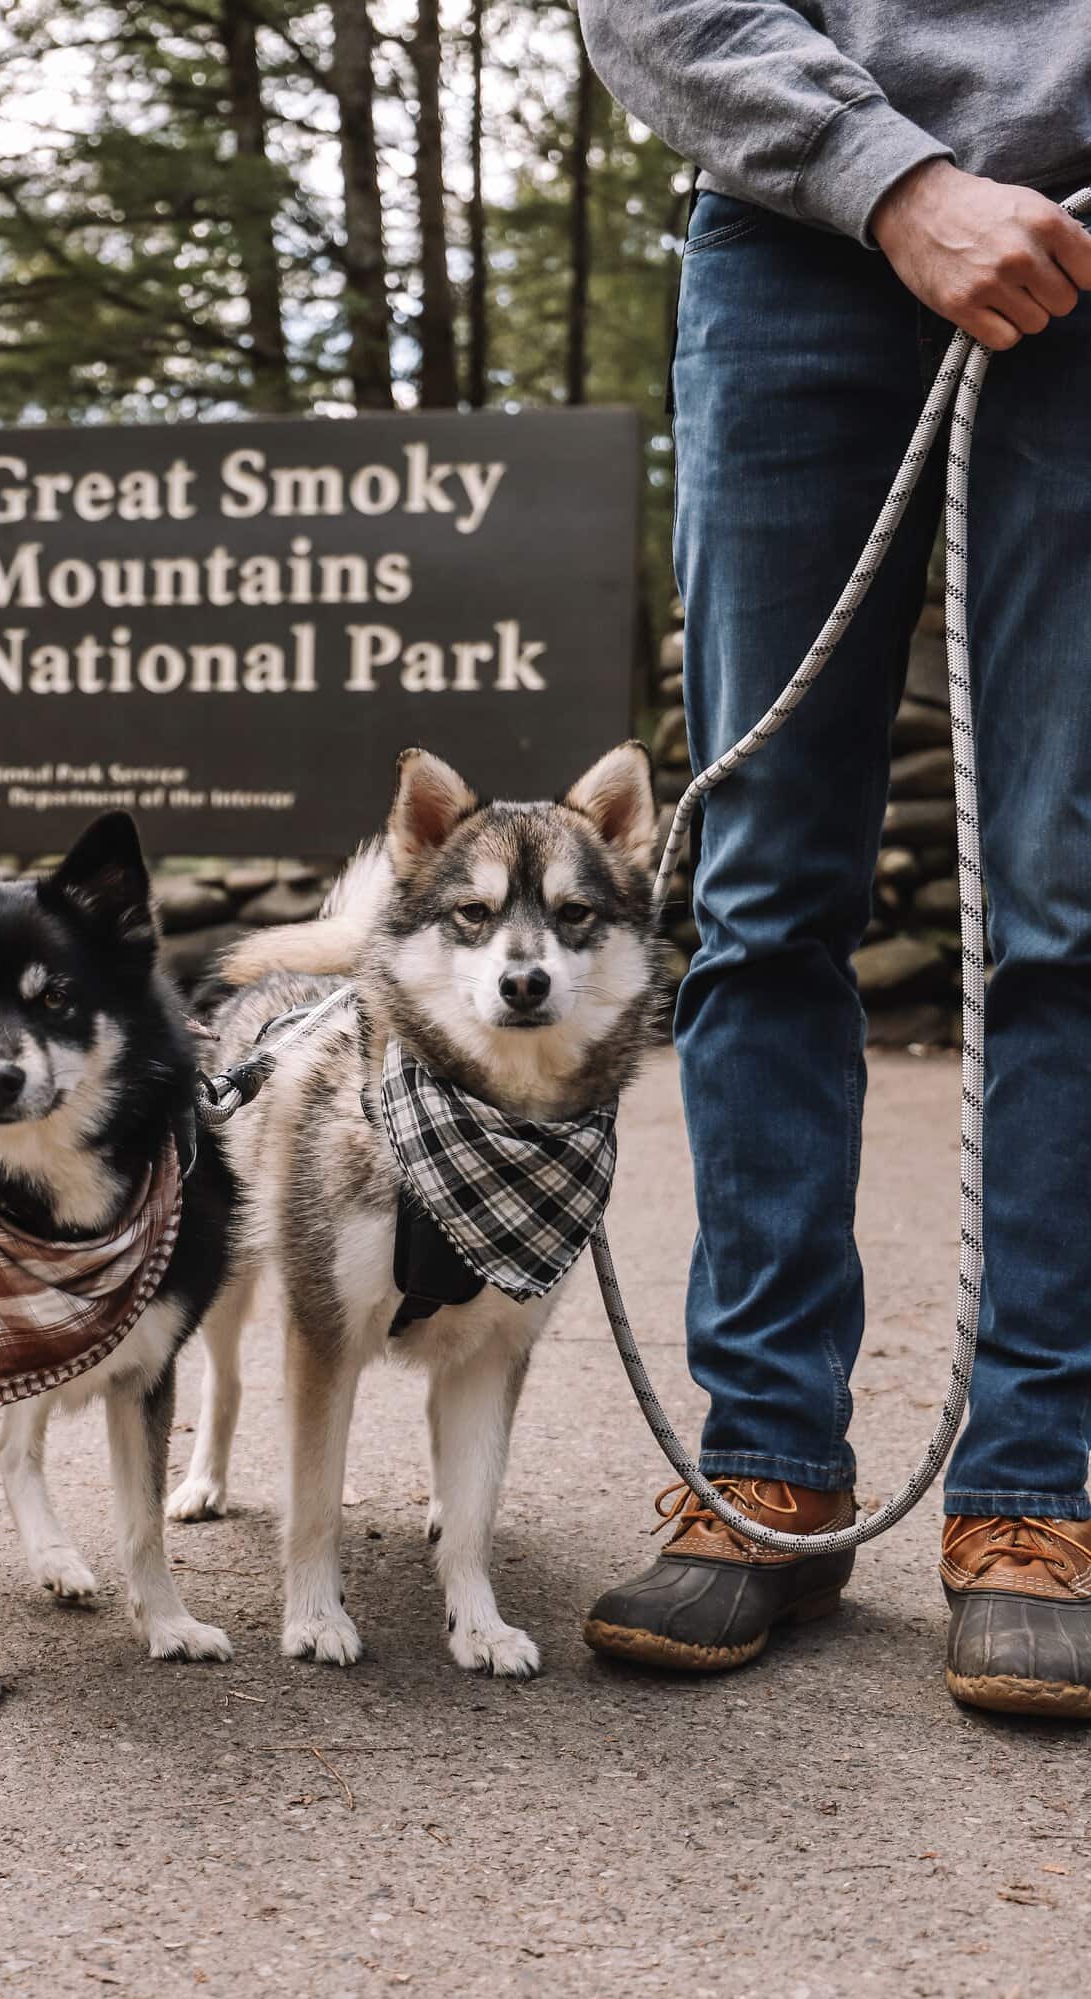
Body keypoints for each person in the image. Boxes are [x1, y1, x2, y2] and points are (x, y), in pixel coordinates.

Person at [574, 0, 1091, 1718]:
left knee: (1067, 907)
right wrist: (895, 182)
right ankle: (767, 1475)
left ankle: (1031, 1500)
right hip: (795, 246)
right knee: (761, 893)